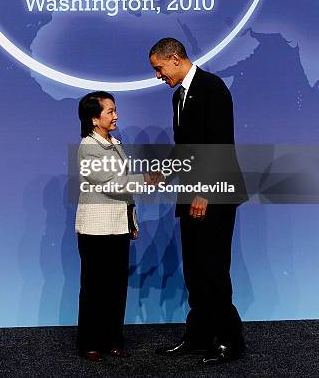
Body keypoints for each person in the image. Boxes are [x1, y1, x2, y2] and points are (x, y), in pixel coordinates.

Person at [149, 37, 247, 365]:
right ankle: (199, 336)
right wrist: (165, 170)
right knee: (194, 269)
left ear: (175, 59)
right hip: (190, 194)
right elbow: (185, 145)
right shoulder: (179, 95)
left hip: (213, 196)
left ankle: (229, 342)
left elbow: (220, 143)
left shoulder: (212, 87)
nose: (158, 75)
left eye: (159, 68)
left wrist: (205, 191)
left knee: (213, 269)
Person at [75, 91, 161, 361]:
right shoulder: (88, 146)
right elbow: (109, 182)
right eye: (110, 111)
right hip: (96, 229)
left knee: (116, 287)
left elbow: (123, 192)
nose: (116, 115)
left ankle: (113, 338)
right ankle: (90, 342)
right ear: (93, 118)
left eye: (115, 110)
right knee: (94, 287)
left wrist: (131, 221)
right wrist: (145, 179)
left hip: (118, 226)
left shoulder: (116, 144)